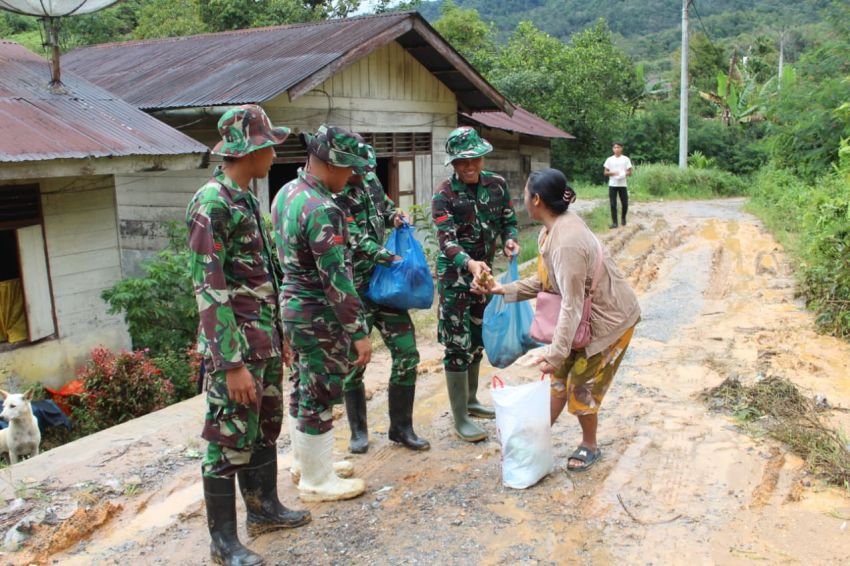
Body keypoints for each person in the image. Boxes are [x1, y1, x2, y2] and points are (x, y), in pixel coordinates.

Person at [186, 104, 310, 566]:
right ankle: (223, 543)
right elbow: (209, 288)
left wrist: (282, 336)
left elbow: (266, 278)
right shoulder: (211, 204)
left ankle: (264, 510)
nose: (275, 154)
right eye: (269, 146)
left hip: (264, 342)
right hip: (235, 350)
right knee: (228, 440)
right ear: (250, 149)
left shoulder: (244, 198)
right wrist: (231, 364)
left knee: (262, 429)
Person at [484, 168, 640, 472]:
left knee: (581, 385)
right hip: (582, 320)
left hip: (609, 324)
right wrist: (504, 290)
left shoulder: (567, 242)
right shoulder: (550, 230)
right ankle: (537, 438)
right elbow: (547, 282)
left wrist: (555, 353)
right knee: (557, 381)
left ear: (537, 199)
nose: (523, 198)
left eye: (526, 193)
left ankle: (590, 445)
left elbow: (571, 303)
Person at [271, 124, 372, 502]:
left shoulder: (287, 193)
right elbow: (337, 281)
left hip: (294, 305)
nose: (351, 176)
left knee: (302, 385)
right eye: (348, 168)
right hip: (318, 312)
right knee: (320, 390)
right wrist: (358, 331)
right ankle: (317, 480)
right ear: (330, 163)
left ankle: (307, 463)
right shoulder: (323, 209)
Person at [333, 144, 430, 453]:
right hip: (355, 290)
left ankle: (401, 428)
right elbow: (355, 239)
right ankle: (358, 431)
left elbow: (386, 210)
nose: (362, 176)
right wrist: (388, 257)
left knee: (407, 352)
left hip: (386, 289)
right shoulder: (333, 195)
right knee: (354, 361)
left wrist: (396, 218)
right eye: (357, 171)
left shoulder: (369, 180)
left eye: (366, 170)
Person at [431, 126, 519, 442]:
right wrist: (468, 263)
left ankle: (471, 400)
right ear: (453, 163)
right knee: (457, 343)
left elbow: (509, 221)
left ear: (482, 158)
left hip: (484, 278)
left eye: (474, 160)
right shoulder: (443, 195)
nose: (469, 167)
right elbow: (446, 241)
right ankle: (460, 418)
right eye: (461, 162)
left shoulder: (497, 185)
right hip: (456, 278)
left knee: (478, 338)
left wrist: (510, 241)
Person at [603, 142, 633, 228]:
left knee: (625, 203)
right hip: (612, 184)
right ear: (612, 149)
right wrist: (613, 173)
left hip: (622, 184)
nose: (616, 149)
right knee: (613, 204)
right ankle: (614, 223)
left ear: (621, 148)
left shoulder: (626, 159)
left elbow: (630, 172)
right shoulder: (609, 159)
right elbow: (605, 172)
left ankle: (623, 218)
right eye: (615, 148)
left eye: (618, 147)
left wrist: (622, 174)